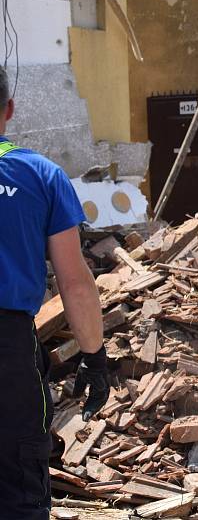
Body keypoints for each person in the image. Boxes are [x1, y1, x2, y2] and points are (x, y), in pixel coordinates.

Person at [0, 67, 109, 519]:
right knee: (19, 489)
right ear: (8, 110)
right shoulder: (40, 174)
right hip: (7, 359)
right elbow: (74, 281)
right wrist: (94, 357)